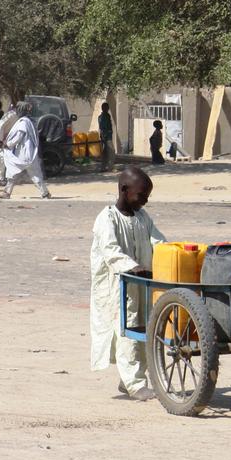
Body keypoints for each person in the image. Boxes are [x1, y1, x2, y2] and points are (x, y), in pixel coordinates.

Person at [89, 166, 165, 401]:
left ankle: (128, 379)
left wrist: (172, 254)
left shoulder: (143, 217)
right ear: (124, 190)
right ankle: (135, 384)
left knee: (143, 329)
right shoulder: (107, 218)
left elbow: (158, 241)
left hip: (141, 285)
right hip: (116, 286)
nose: (145, 201)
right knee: (127, 332)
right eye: (141, 195)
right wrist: (130, 266)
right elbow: (111, 250)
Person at [0, 101, 50, 199]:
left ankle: (7, 193)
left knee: (15, 171)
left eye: (18, 109)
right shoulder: (29, 121)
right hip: (29, 153)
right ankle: (45, 193)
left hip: (24, 153)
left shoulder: (24, 122)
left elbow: (18, 136)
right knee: (30, 173)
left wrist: (7, 144)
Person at [97, 102, 115, 171]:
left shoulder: (100, 117)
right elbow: (104, 127)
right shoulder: (106, 116)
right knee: (111, 152)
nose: (108, 109)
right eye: (107, 107)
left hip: (103, 136)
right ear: (104, 108)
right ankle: (110, 167)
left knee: (105, 152)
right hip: (107, 137)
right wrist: (106, 135)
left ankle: (103, 167)